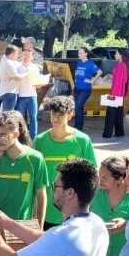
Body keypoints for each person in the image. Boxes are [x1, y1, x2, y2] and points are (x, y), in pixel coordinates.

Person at [34, 96, 97, 230]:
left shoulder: (82, 140)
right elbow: (35, 175)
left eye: (60, 115)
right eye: (53, 114)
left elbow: (91, 175)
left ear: (71, 115)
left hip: (73, 210)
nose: (55, 119)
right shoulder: (40, 140)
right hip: (46, 210)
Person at [0, 111, 48, 227]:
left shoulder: (35, 158)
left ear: (16, 134)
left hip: (23, 225)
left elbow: (41, 195)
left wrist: (39, 227)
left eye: (3, 135)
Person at [102, 49, 129, 138]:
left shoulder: (120, 66)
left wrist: (112, 94)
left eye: (116, 53)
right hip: (120, 94)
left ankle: (107, 134)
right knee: (118, 114)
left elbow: (118, 82)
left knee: (110, 114)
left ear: (121, 55)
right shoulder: (123, 65)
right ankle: (119, 132)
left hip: (116, 93)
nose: (115, 55)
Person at [72, 47, 103, 131]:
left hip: (85, 89)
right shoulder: (79, 63)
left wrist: (92, 80)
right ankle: (78, 127)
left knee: (78, 106)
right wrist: (75, 79)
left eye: (81, 53)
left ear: (86, 54)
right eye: (79, 53)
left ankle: (78, 127)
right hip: (77, 88)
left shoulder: (90, 63)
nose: (79, 54)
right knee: (79, 107)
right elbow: (76, 72)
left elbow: (100, 72)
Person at [15, 49, 41, 140]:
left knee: (33, 118)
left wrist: (40, 84)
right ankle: (20, 138)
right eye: (25, 55)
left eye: (28, 55)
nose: (26, 57)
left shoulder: (35, 67)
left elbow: (37, 83)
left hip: (32, 96)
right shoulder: (17, 67)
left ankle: (33, 138)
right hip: (21, 96)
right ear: (22, 55)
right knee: (20, 118)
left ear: (32, 57)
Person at [0, 47, 20, 111]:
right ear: (12, 53)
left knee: (6, 114)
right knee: (8, 115)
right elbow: (16, 77)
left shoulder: (4, 60)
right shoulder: (9, 63)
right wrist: (26, 73)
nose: (18, 56)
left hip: (6, 91)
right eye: (17, 54)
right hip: (9, 92)